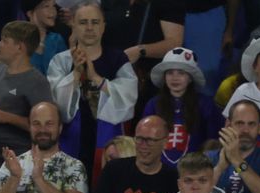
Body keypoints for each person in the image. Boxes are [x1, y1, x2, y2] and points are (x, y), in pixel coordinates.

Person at [47, 2, 138, 176]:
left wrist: (96, 78)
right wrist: (75, 74)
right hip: (69, 143)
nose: (89, 28)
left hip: (107, 145)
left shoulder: (117, 59)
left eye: (95, 22)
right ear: (72, 24)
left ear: (103, 26)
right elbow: (56, 106)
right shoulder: (61, 61)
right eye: (83, 22)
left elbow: (128, 99)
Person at [0, 22, 52, 164]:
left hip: (15, 158)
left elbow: (44, 128)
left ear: (19, 47)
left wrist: (8, 117)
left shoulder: (37, 82)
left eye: (4, 41)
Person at [141, 47, 221, 169]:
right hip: (158, 170)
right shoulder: (153, 104)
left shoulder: (206, 104)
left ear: (190, 78)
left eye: (181, 73)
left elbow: (213, 143)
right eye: (170, 73)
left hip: (193, 171)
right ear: (164, 76)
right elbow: (145, 140)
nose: (175, 78)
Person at [101, 0, 184, 105]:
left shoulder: (167, 3)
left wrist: (140, 51)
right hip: (110, 77)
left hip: (145, 80)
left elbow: (174, 43)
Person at [24, 0, 65, 75]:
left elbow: (64, 73)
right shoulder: (18, 40)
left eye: (54, 6)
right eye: (46, 6)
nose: (53, 11)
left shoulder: (56, 40)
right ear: (30, 13)